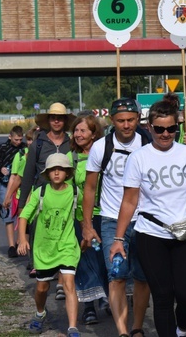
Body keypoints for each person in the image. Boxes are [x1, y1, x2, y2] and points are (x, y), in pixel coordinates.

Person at [111, 93, 186, 337]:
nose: (166, 134)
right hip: (151, 234)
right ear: (150, 127)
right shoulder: (139, 158)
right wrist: (118, 240)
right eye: (160, 129)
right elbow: (129, 201)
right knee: (162, 297)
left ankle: (182, 329)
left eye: (172, 129)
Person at [82, 97, 151, 337]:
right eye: (121, 120)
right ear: (112, 120)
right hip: (111, 220)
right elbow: (90, 188)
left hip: (144, 220)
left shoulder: (147, 142)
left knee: (143, 278)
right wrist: (88, 225)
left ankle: (137, 327)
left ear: (138, 118)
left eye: (131, 119)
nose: (126, 125)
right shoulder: (101, 147)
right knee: (117, 276)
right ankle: (122, 331)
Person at [17, 153, 81, 337]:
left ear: (67, 172)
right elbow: (23, 216)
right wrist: (22, 239)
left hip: (67, 245)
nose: (56, 172)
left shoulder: (75, 192)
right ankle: (40, 313)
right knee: (42, 288)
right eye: (53, 169)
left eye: (60, 169)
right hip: (44, 249)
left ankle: (72, 327)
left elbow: (83, 215)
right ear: (47, 173)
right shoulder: (41, 193)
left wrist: (86, 233)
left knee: (69, 283)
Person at [67, 114, 110, 325]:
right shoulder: (71, 158)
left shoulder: (105, 155)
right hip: (80, 217)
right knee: (84, 262)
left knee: (103, 259)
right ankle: (89, 307)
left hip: (105, 214)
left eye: (83, 130)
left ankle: (108, 296)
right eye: (76, 130)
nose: (78, 134)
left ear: (94, 133)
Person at [0, 125, 26, 257]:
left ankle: (19, 241)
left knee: (22, 213)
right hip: (4, 184)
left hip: (21, 185)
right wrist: (0, 169)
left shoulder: (24, 149)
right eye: (16, 139)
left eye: (20, 139)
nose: (18, 142)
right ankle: (11, 246)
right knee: (8, 214)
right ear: (10, 137)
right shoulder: (2, 148)